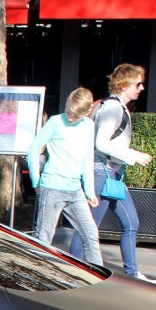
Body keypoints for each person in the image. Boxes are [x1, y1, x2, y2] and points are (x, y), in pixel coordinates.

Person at [86, 63, 156, 282]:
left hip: (110, 175)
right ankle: (73, 274)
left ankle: (132, 273)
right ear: (124, 84)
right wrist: (133, 155)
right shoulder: (114, 108)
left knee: (130, 223)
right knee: (89, 228)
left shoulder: (112, 106)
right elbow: (101, 143)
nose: (142, 88)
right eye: (138, 83)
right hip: (103, 175)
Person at [26, 87, 101, 264]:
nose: (70, 118)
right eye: (68, 112)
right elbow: (34, 149)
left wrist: (89, 191)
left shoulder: (89, 126)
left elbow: (87, 158)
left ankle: (98, 278)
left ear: (88, 112)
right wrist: (36, 181)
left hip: (75, 190)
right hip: (52, 187)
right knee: (43, 238)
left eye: (76, 116)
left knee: (90, 234)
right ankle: (35, 275)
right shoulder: (55, 122)